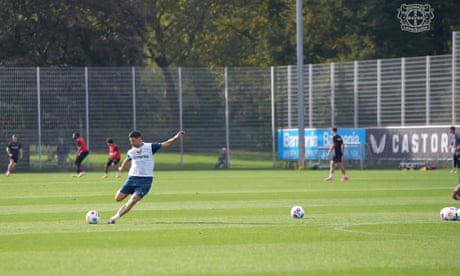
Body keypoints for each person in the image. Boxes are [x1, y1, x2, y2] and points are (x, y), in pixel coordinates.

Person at [108, 129, 185, 224]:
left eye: (133, 141)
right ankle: (129, 194)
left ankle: (114, 218)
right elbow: (127, 160)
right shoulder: (131, 151)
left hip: (145, 181)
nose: (131, 143)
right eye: (130, 141)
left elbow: (166, 144)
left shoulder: (150, 147)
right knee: (118, 198)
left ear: (139, 139)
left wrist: (176, 137)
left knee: (133, 200)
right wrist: (121, 170)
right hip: (131, 178)